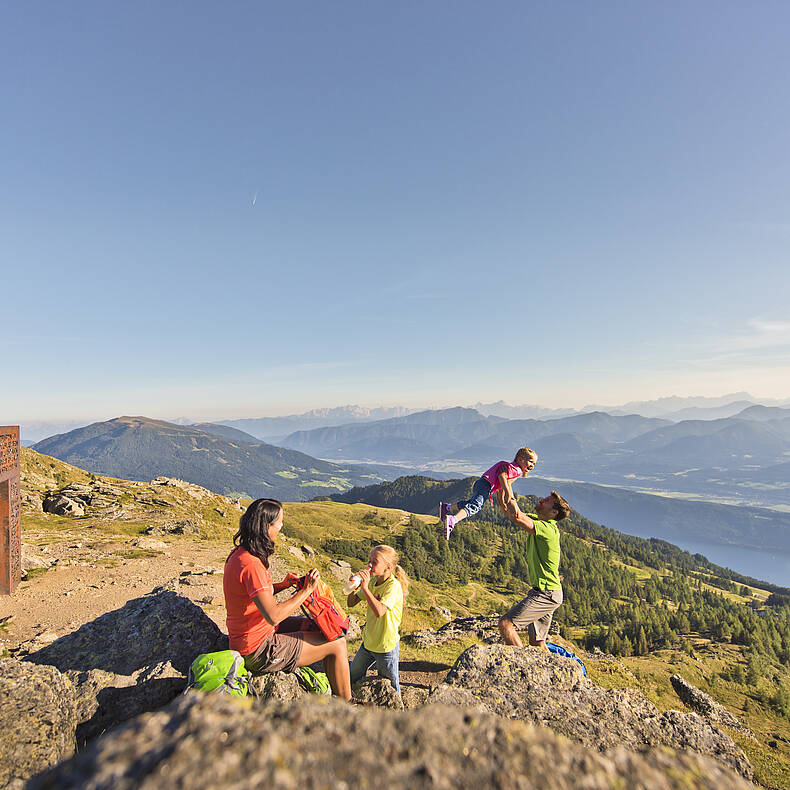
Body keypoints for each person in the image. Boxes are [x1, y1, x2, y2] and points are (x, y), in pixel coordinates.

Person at [223, 498, 352, 700]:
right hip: (257, 650)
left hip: (253, 635)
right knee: (338, 644)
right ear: (266, 526)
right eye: (279, 523)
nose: (281, 527)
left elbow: (254, 597)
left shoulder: (241, 554)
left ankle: (336, 693)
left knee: (324, 629)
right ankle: (347, 706)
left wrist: (282, 586)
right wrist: (306, 591)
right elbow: (273, 616)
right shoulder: (252, 565)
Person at [498, 491, 571, 651]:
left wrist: (506, 484)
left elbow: (517, 516)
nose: (541, 500)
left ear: (553, 512)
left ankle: (521, 666)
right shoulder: (539, 521)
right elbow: (509, 511)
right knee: (537, 643)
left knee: (506, 624)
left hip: (547, 594)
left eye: (547, 501)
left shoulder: (548, 529)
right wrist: (503, 487)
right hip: (546, 593)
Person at [346, 544, 408, 695]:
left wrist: (366, 589)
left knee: (391, 688)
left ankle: (399, 714)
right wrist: (354, 586)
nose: (369, 565)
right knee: (351, 677)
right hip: (369, 643)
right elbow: (351, 603)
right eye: (369, 561)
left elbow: (380, 611)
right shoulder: (373, 582)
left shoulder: (393, 587)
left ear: (387, 567)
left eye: (374, 562)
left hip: (386, 646)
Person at [439, 447, 538, 540]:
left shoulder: (512, 467)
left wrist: (502, 504)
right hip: (485, 485)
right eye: (530, 462)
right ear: (520, 459)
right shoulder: (516, 469)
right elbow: (502, 476)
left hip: (482, 483)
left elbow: (501, 488)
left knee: (470, 504)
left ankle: (447, 507)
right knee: (474, 506)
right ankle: (453, 520)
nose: (532, 466)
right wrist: (508, 494)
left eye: (534, 463)